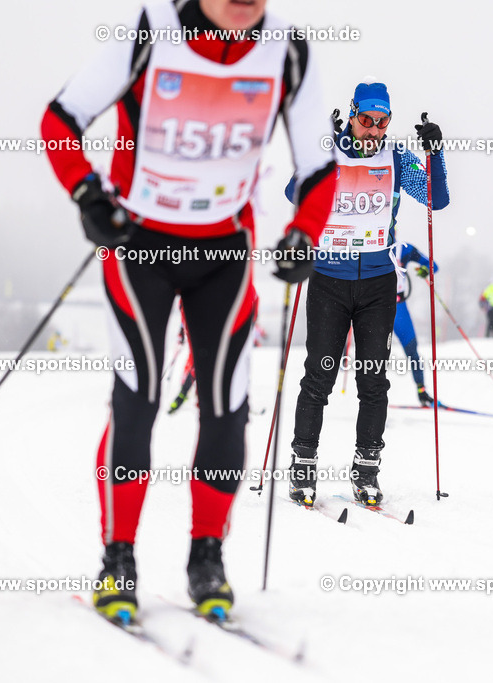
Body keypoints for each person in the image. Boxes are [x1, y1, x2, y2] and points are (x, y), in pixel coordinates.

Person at [40, 0, 337, 623]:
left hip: (224, 252)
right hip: (139, 246)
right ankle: (118, 557)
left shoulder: (287, 50)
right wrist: (88, 194)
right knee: (137, 397)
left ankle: (207, 555)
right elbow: (60, 119)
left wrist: (306, 232)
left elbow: (318, 166)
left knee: (227, 406)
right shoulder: (152, 30)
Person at [284, 81, 449, 507]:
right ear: (353, 114)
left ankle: (367, 470)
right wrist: (321, 149)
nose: (374, 129)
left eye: (383, 122)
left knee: (374, 381)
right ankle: (303, 467)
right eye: (366, 120)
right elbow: (293, 193)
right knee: (318, 377)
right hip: (328, 279)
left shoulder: (395, 157)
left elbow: (436, 197)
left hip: (378, 283)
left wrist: (435, 155)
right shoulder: (332, 152)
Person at [393, 241, 438, 407]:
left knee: (412, 349)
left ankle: (422, 391)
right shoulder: (366, 244)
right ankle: (373, 402)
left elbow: (432, 265)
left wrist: (426, 269)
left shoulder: (403, 249)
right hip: (371, 306)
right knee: (375, 352)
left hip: (398, 307)